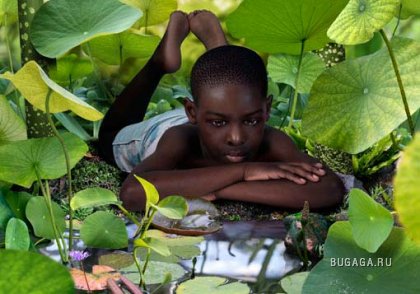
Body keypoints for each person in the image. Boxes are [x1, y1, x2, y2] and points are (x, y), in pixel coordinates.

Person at [98, 10, 345, 212]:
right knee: (109, 136)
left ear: (266, 110)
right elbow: (132, 192)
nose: (236, 138)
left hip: (217, 105)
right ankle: (159, 63)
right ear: (191, 112)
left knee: (225, 106)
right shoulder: (179, 140)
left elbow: (330, 189)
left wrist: (220, 186)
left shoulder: (273, 141)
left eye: (252, 122)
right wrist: (244, 171)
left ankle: (221, 58)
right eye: (220, 124)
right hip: (157, 132)